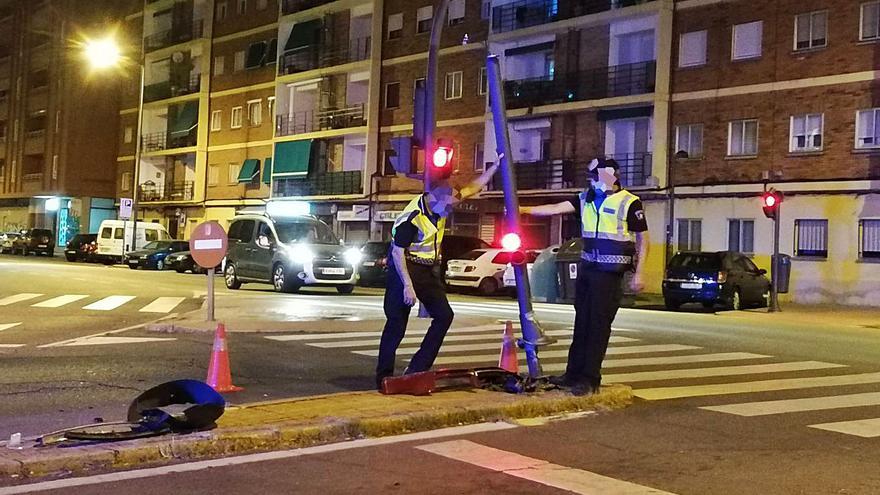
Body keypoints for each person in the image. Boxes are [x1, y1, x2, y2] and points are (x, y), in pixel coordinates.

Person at [521, 157, 649, 396]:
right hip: (588, 270)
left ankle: (590, 379)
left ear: (612, 176)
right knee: (582, 324)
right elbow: (555, 209)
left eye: (598, 176)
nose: (594, 181)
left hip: (609, 274)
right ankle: (573, 374)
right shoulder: (585, 199)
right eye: (592, 176)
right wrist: (522, 210)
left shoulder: (629, 202)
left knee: (598, 327)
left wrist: (639, 273)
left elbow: (643, 238)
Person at [375, 158, 501, 389]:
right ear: (434, 198)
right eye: (448, 207)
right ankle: (383, 377)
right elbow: (397, 252)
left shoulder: (443, 200)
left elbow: (473, 188)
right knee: (396, 323)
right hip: (404, 268)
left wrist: (494, 167)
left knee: (444, 316)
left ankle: (417, 368)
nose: (449, 211)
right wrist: (408, 286)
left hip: (426, 269)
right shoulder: (411, 218)